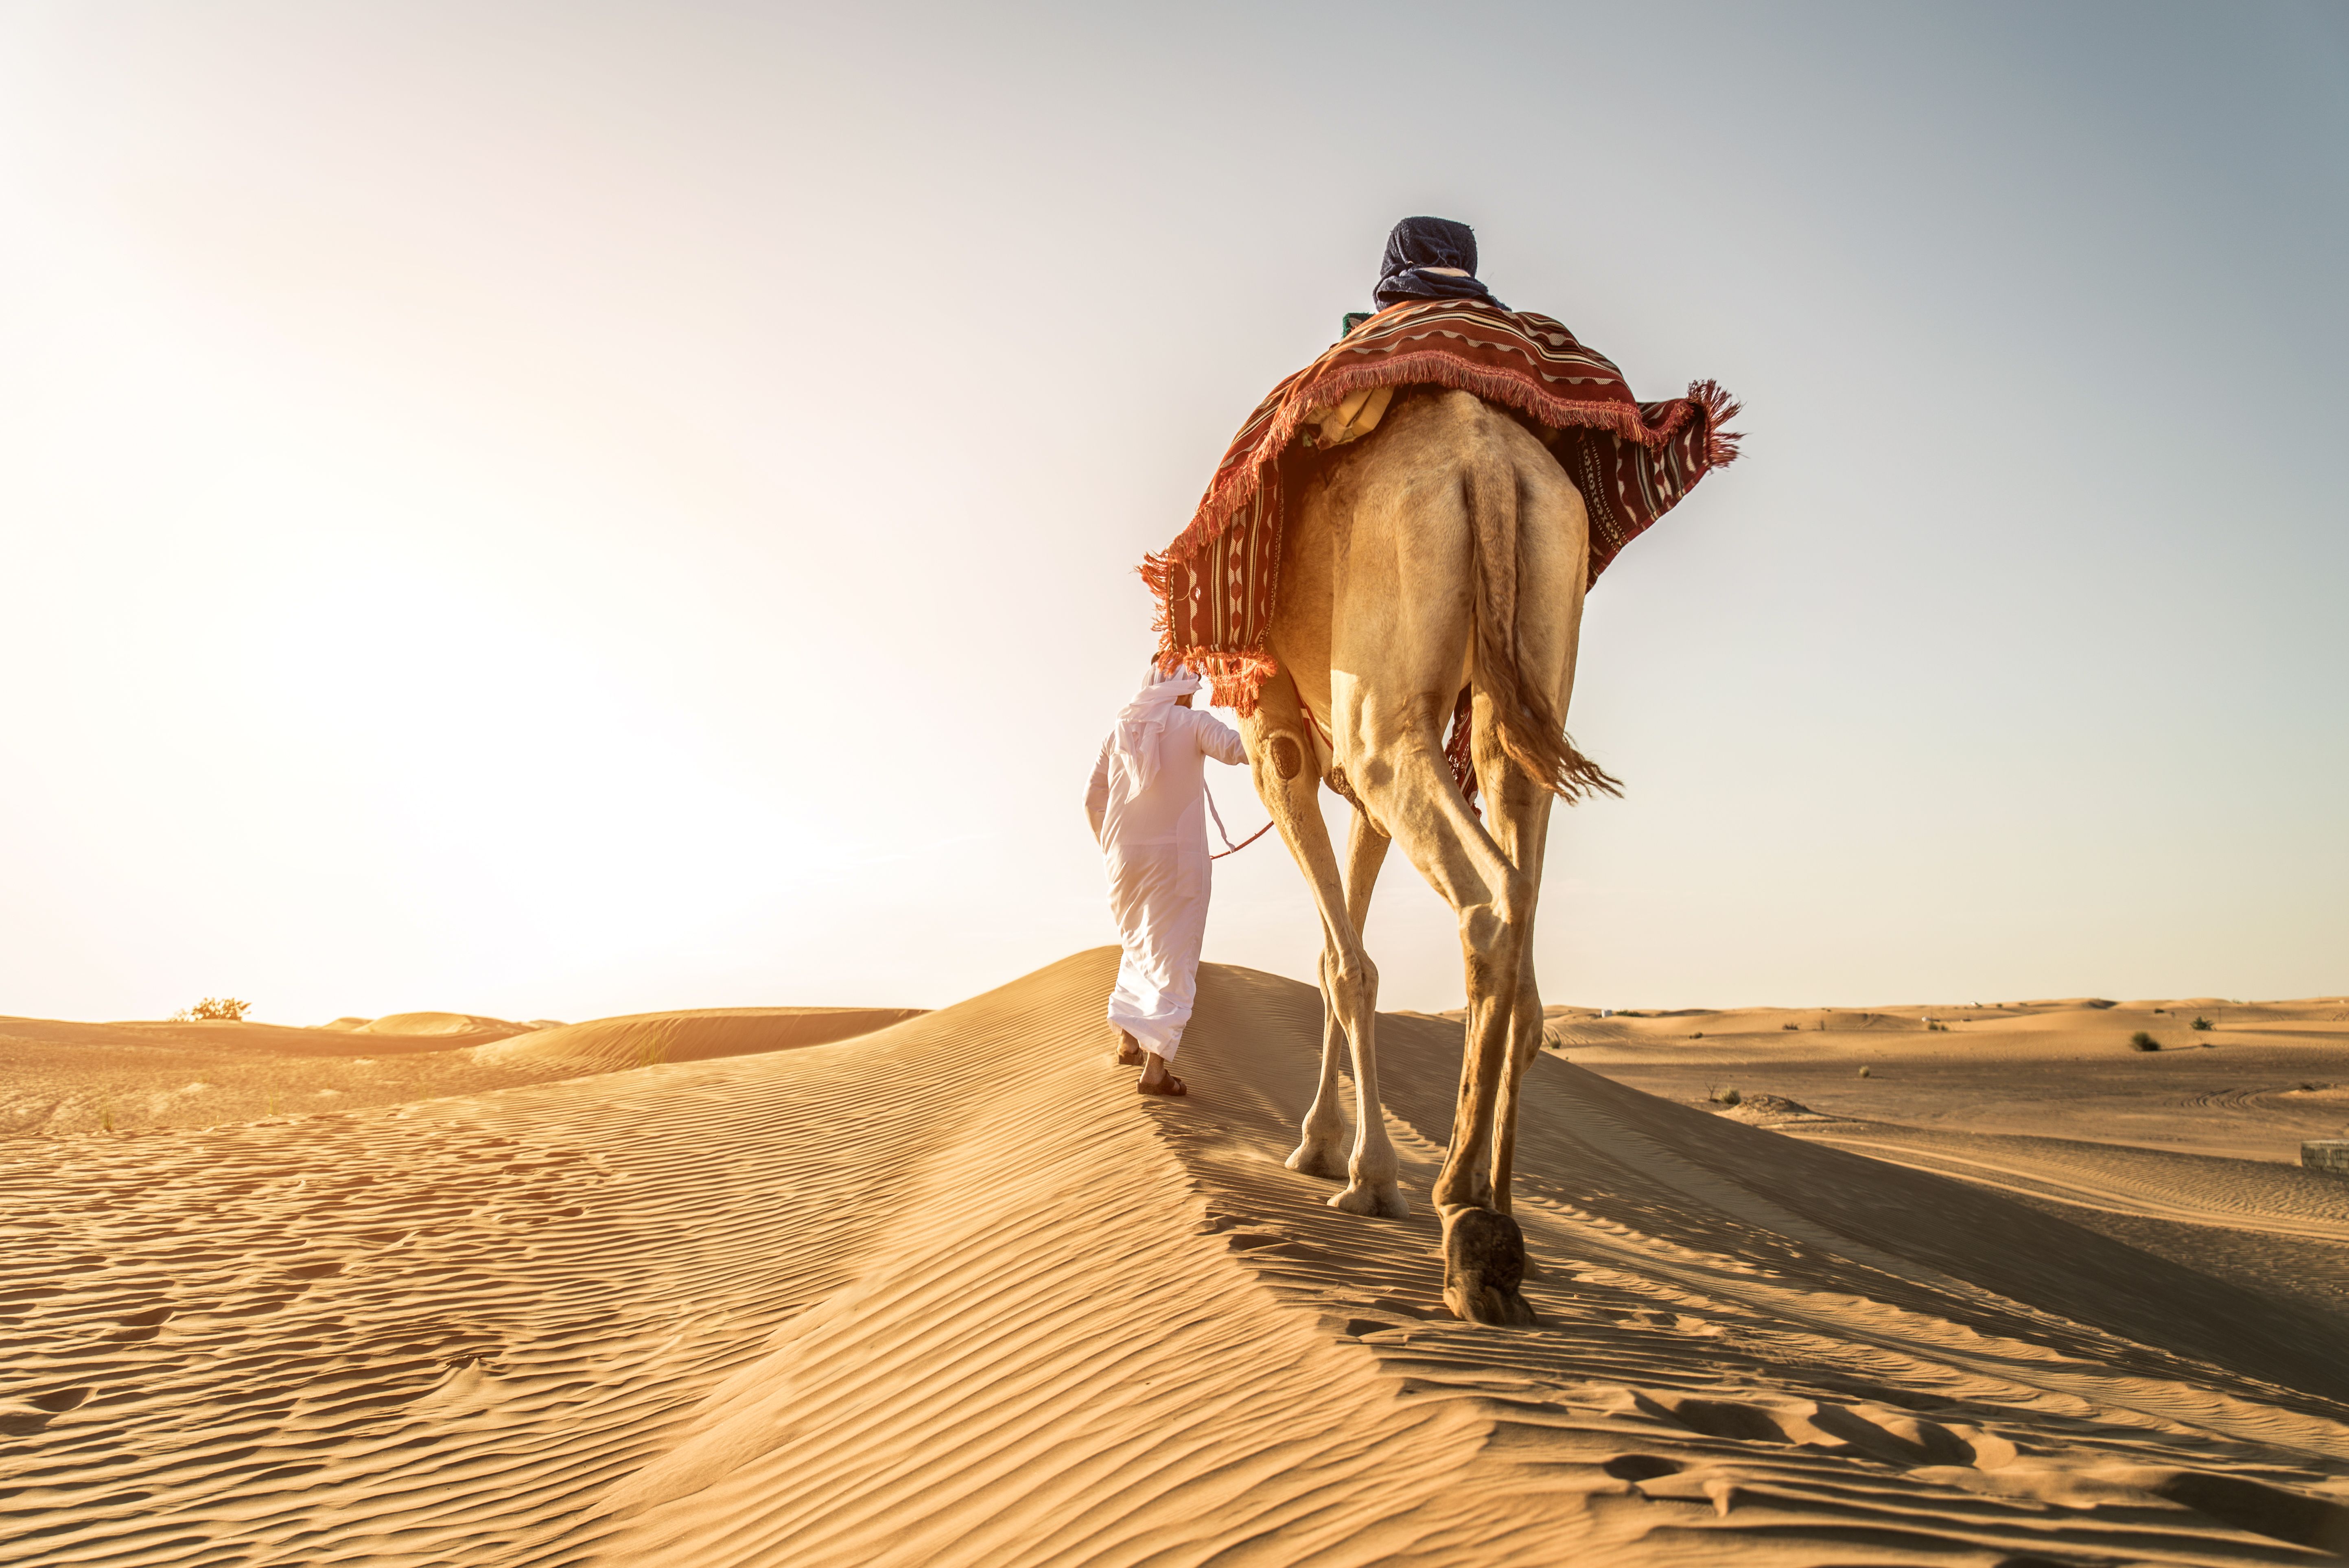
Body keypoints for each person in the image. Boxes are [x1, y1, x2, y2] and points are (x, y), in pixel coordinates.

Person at [1085, 660, 1248, 1096]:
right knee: (1174, 957)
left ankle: (1128, 1040)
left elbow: (1091, 799)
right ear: (1183, 690)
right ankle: (1155, 1069)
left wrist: (1113, 847)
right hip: (1177, 863)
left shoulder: (1119, 730)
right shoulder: (1194, 723)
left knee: (1139, 945)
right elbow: (1240, 749)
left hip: (1122, 862)